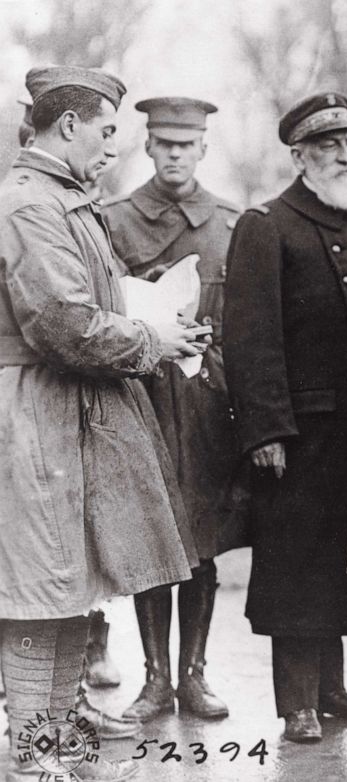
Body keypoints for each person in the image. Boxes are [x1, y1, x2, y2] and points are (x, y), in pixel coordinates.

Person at [0, 64, 205, 782]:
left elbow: (93, 301)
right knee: (36, 589)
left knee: (66, 588)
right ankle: (31, 759)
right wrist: (152, 343)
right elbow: (60, 322)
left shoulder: (63, 199)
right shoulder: (30, 204)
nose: (116, 147)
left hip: (65, 409)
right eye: (107, 130)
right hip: (35, 414)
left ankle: (51, 747)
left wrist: (155, 322)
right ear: (68, 126)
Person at [224, 92, 347, 743]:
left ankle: (333, 690)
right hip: (298, 435)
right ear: (299, 155)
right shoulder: (267, 224)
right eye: (328, 146)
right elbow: (250, 339)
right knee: (296, 564)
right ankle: (297, 704)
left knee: (343, 560)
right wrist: (265, 432)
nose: (344, 154)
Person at [103, 96, 248, 724]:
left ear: (204, 149)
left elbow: (249, 322)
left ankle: (194, 674)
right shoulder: (114, 222)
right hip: (138, 399)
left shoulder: (231, 224)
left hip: (206, 402)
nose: (176, 155)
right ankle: (155, 679)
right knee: (149, 538)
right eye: (165, 144)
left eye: (187, 145)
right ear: (148, 147)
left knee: (201, 540)